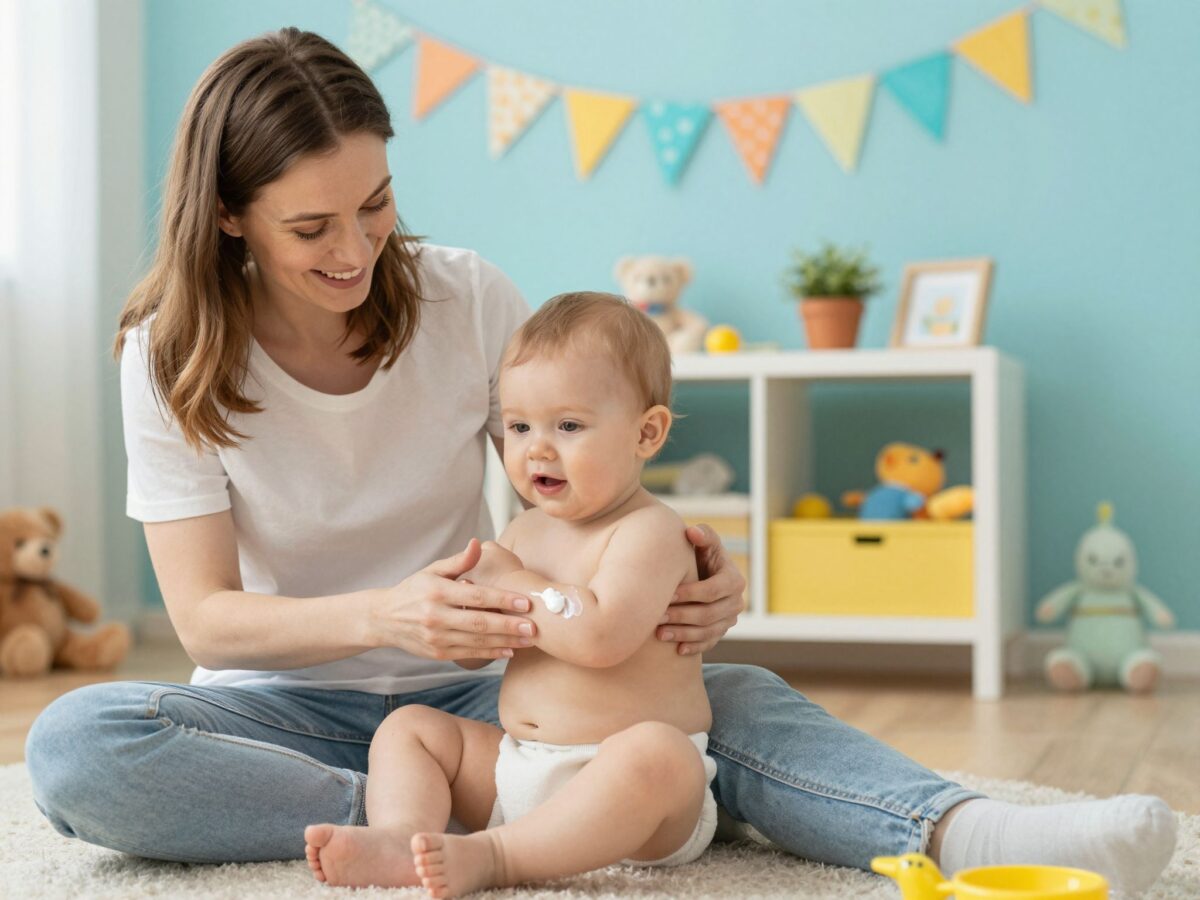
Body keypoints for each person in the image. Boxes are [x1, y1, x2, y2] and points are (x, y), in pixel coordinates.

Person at [23, 28, 1175, 895]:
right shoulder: (166, 351)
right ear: (229, 216)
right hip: (281, 710)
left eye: (375, 206)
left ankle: (964, 830)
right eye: (311, 228)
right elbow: (208, 620)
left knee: (721, 698)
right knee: (79, 749)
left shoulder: (464, 297)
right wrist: (387, 613)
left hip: (491, 689)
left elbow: (580, 476)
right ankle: (489, 822)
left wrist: (683, 568)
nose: (359, 250)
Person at [306, 292, 720, 896]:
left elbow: (599, 637)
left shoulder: (649, 532)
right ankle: (402, 837)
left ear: (646, 433)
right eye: (520, 426)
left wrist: (509, 582)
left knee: (658, 754)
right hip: (518, 768)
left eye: (568, 426)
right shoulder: (524, 532)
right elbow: (485, 652)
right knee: (411, 728)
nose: (536, 448)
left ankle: (497, 857)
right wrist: (470, 625)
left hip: (634, 798)